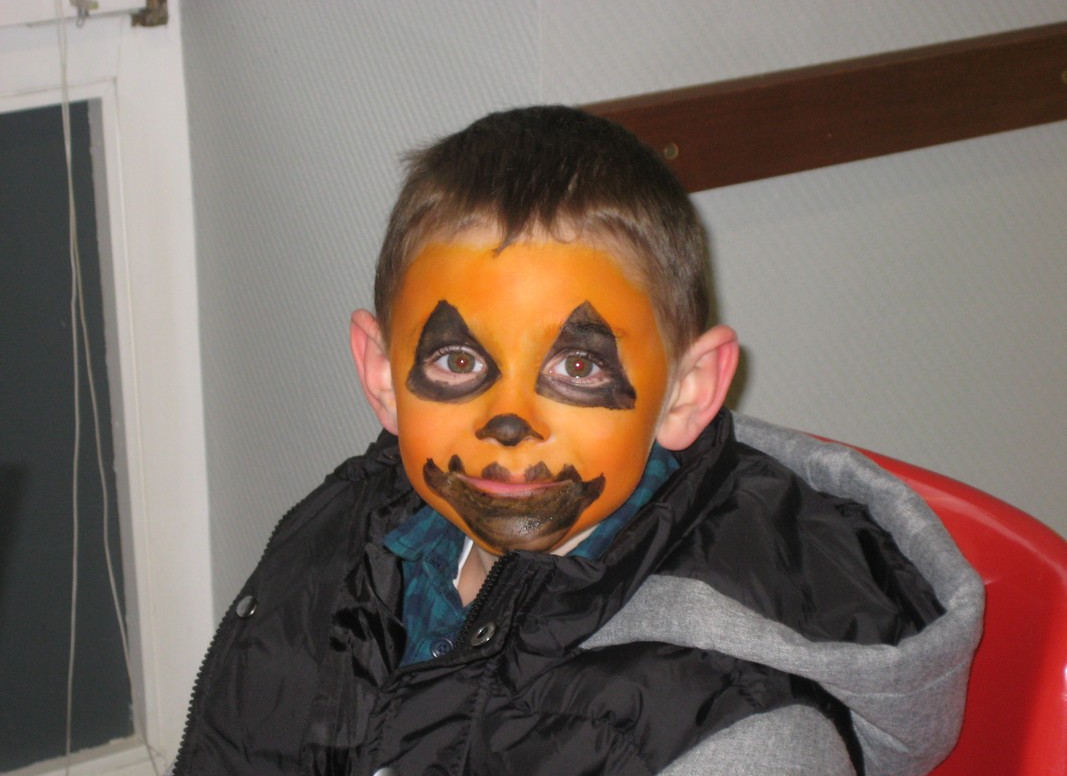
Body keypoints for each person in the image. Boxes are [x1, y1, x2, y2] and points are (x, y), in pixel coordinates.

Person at [171, 106, 983, 776]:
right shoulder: (348, 540)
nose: (509, 422)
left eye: (578, 366)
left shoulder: (737, 745)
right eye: (458, 361)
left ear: (685, 392)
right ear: (384, 376)